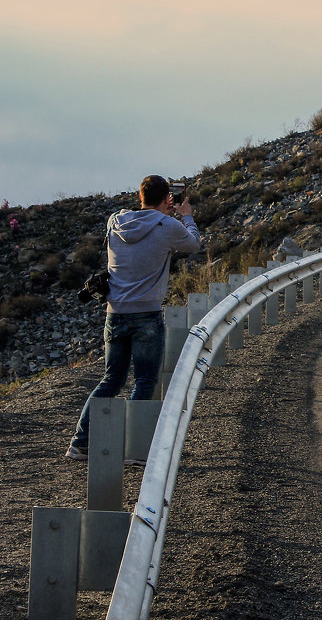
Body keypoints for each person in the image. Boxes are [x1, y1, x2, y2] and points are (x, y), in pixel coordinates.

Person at [66, 175, 203, 461]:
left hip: (114, 313)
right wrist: (185, 215)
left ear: (139, 196)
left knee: (111, 379)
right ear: (168, 198)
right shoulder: (169, 226)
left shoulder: (115, 221)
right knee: (144, 380)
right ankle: (131, 447)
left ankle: (81, 442)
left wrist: (156, 208)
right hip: (147, 315)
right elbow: (193, 245)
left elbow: (139, 221)